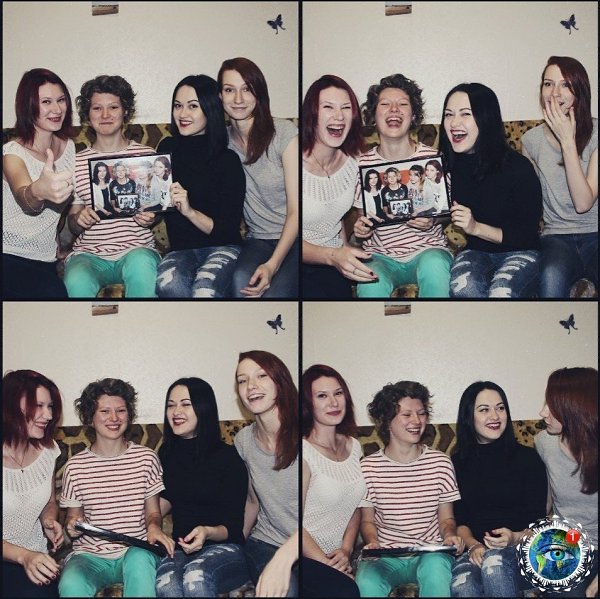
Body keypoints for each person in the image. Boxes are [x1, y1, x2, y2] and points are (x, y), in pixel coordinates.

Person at [59, 378, 175, 598]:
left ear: (129, 415)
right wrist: (72, 526)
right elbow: (73, 518)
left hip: (135, 551)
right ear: (90, 417)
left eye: (121, 410)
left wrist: (154, 527)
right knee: (71, 583)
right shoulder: (75, 467)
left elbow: (153, 513)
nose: (114, 418)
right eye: (104, 411)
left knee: (140, 561)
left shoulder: (146, 458)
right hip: (89, 556)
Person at [355, 381, 465, 597]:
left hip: (430, 553)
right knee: (366, 582)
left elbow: (446, 519)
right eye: (407, 415)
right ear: (386, 421)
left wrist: (450, 536)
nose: (417, 421)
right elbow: (367, 521)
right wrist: (373, 542)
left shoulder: (440, 463)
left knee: (436, 572)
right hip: (385, 557)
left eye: (421, 413)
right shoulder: (368, 467)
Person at [352, 73, 453, 298]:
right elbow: (363, 218)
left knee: (435, 267)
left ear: (413, 115)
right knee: (370, 282)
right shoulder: (361, 164)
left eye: (403, 104)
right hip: (380, 256)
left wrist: (434, 220)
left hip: (428, 250)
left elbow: (447, 212)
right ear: (373, 116)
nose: (394, 110)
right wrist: (361, 230)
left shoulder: (433, 159)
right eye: (385, 104)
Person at [439, 82, 543, 298]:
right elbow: (442, 210)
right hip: (476, 252)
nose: (454, 123)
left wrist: (476, 228)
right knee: (465, 288)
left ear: (486, 119)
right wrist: (425, 219)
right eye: (449, 115)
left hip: (522, 250)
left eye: (465, 114)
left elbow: (527, 234)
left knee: (502, 292)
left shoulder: (518, 167)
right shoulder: (445, 166)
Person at [63, 75, 161, 298]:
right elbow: (73, 223)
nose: (105, 115)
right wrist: (79, 220)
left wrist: (152, 217)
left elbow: (157, 211)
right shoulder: (75, 162)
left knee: (143, 268)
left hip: (137, 250)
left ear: (125, 111)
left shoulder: (147, 157)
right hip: (89, 254)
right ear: (88, 114)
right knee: (76, 280)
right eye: (97, 108)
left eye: (113, 107)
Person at [450, 381, 548, 597]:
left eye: (500, 408)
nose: (495, 416)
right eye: (484, 410)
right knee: (463, 585)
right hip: (474, 551)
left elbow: (538, 523)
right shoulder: (456, 463)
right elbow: (460, 521)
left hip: (521, 549)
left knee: (494, 565)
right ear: (468, 417)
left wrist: (513, 537)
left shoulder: (528, 459)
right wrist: (474, 546)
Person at [155, 377, 250, 597]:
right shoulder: (167, 454)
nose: (176, 411)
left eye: (186, 404)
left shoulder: (228, 458)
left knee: (195, 578)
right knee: (167, 586)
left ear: (203, 408)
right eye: (171, 405)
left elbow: (234, 528)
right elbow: (166, 499)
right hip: (181, 548)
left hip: (225, 549)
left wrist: (206, 532)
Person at [156, 74, 245, 298]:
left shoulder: (228, 160)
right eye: (178, 106)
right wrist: (147, 212)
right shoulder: (166, 149)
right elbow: (157, 201)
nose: (182, 114)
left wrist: (190, 212)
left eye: (193, 106)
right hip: (181, 250)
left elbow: (227, 229)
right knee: (170, 286)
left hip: (223, 246)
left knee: (205, 289)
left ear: (210, 109)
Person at [218, 57, 299, 298]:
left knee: (276, 295)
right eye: (229, 90)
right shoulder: (220, 142)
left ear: (259, 93)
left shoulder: (283, 133)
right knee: (241, 284)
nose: (238, 99)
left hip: (296, 237)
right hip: (258, 239)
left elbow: (297, 210)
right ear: (220, 96)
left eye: (247, 89)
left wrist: (272, 265)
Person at [521, 56, 598, 297]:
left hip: (596, 232)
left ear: (579, 91)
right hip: (556, 238)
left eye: (565, 85)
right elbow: (530, 204)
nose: (555, 93)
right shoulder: (531, 141)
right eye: (548, 84)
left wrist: (567, 141)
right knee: (551, 278)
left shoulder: (597, 134)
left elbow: (583, 203)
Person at [3, 68, 75, 298]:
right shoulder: (12, 154)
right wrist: (38, 191)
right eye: (46, 102)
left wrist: (59, 244)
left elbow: (59, 213)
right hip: (8, 254)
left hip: (45, 259)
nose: (57, 109)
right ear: (28, 106)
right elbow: (25, 198)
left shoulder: (69, 147)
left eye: (61, 100)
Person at [302, 74, 376, 298]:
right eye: (328, 107)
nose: (339, 116)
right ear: (312, 114)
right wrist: (333, 256)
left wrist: (353, 240)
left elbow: (337, 217)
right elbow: (281, 236)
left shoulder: (355, 161)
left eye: (346, 108)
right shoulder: (291, 161)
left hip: (333, 261)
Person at [234, 350, 299, 597]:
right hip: (265, 542)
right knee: (284, 591)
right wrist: (233, 545)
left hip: (310, 544)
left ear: (280, 382)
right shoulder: (243, 440)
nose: (251, 385)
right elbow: (252, 501)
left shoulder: (310, 434)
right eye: (242, 380)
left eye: (261, 376)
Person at [301, 364, 363, 598]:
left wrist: (346, 550)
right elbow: (292, 521)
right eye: (322, 396)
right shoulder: (302, 451)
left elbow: (355, 504)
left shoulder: (354, 446)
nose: (333, 402)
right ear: (308, 404)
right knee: (346, 591)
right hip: (301, 555)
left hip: (338, 556)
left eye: (338, 393)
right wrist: (328, 565)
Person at [536, 367, 598, 597]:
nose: (542, 412)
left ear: (576, 408)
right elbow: (545, 502)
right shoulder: (544, 443)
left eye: (552, 405)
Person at [3, 370, 64, 598]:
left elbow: (50, 502)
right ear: (10, 406)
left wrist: (49, 520)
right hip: (19, 558)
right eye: (38, 406)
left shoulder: (48, 451)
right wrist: (24, 556)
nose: (48, 415)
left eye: (50, 407)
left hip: (36, 558)